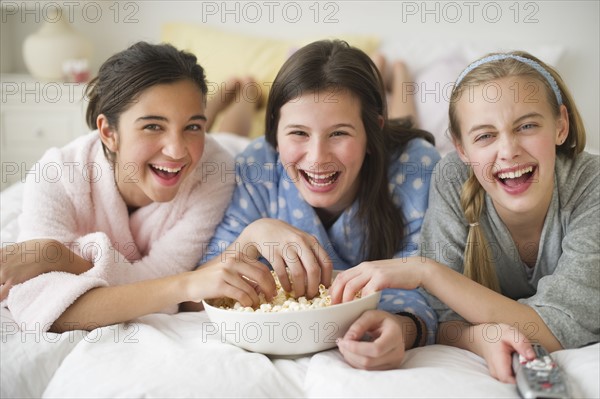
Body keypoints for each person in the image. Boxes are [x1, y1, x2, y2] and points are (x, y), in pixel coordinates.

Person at [331, 51, 599, 382]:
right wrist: (482, 339)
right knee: (407, 133)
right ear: (461, 148)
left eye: (527, 125)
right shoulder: (453, 176)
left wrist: (427, 272)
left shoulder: (591, 186)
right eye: (485, 135)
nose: (508, 150)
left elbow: (561, 329)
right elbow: (442, 319)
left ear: (561, 125)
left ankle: (397, 75)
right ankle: (396, 76)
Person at [0, 42, 278, 332]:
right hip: (198, 152)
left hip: (221, 151)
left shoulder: (215, 171)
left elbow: (160, 286)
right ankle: (218, 104)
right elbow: (41, 300)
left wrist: (59, 256)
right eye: (153, 126)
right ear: (109, 132)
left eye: (193, 126)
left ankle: (246, 94)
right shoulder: (55, 174)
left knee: (229, 137)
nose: (176, 150)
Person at [200, 39, 441, 370]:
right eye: (298, 133)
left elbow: (432, 288)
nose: (317, 158)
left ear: (371, 134)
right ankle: (249, 94)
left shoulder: (416, 169)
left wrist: (404, 327)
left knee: (408, 126)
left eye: (338, 133)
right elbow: (198, 288)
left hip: (395, 145)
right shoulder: (258, 165)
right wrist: (252, 236)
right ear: (275, 134)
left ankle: (397, 74)